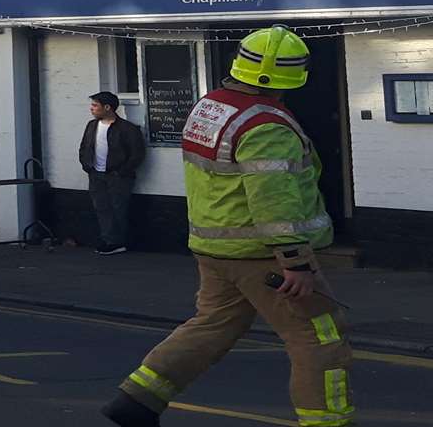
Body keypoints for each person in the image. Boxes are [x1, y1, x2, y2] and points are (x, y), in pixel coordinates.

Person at [103, 26, 351, 427]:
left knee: (213, 326)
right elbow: (273, 198)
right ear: (296, 76)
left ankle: (137, 399)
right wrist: (295, 261)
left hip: (214, 248)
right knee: (319, 339)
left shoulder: (211, 107)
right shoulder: (267, 126)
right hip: (263, 255)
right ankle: (328, 423)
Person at [80, 90, 145, 254]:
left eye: (95, 105)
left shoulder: (127, 128)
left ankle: (118, 242)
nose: (91, 108)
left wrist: (122, 171)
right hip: (96, 174)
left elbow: (137, 153)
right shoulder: (92, 125)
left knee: (118, 208)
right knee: (101, 207)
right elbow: (85, 146)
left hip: (118, 176)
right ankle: (108, 240)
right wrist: (86, 165)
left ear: (107, 107)